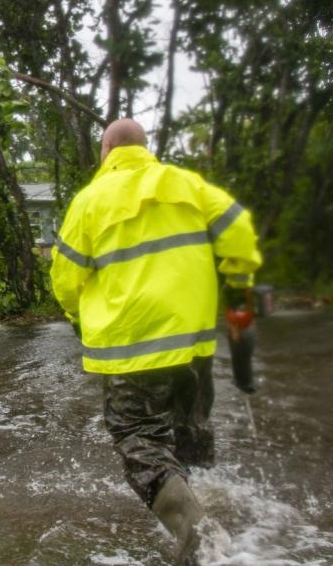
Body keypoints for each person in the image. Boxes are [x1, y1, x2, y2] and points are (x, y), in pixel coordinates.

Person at [50, 118, 262, 563]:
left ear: (106, 152)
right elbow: (239, 227)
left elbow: (65, 278)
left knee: (137, 437)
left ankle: (197, 532)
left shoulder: (89, 202)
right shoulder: (186, 183)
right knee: (190, 428)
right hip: (192, 346)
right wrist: (239, 283)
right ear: (145, 148)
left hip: (131, 349)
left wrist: (75, 317)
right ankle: (215, 501)